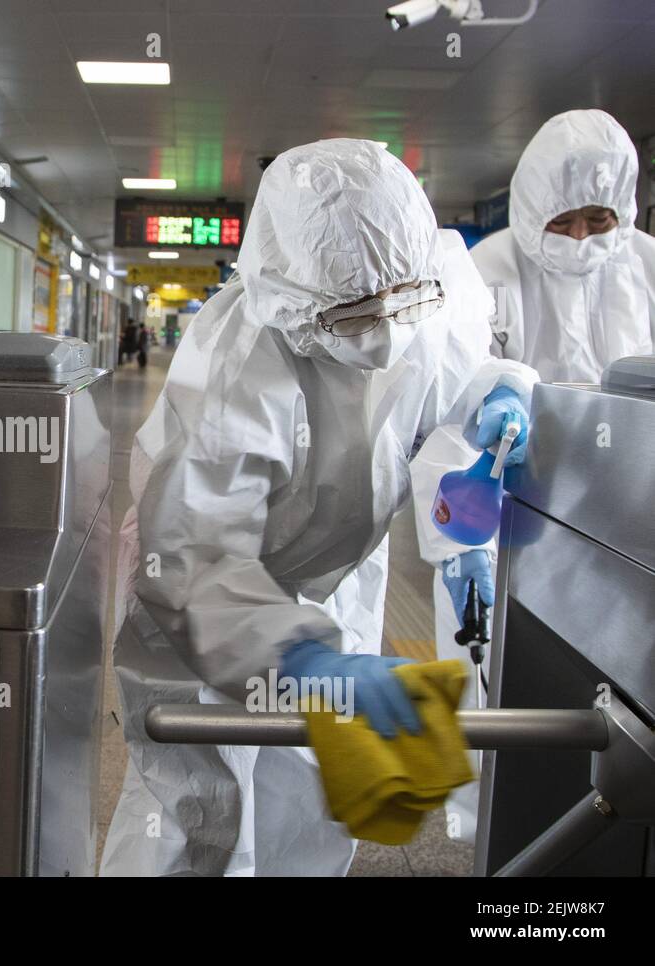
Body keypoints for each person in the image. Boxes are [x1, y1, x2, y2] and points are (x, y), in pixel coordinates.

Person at [100, 139, 536, 877]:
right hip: (198, 595)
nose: (391, 330)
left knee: (309, 802)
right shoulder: (236, 368)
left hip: (330, 581)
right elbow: (195, 562)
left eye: (404, 302)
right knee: (201, 816)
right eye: (357, 313)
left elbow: (461, 368)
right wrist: (303, 661)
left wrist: (500, 397)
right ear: (291, 302)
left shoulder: (416, 275)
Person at [410, 108, 655, 843]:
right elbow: (450, 419)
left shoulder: (647, 265)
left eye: (598, 220)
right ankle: (495, 837)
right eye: (564, 223)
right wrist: (460, 542)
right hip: (511, 515)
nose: (582, 241)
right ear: (532, 208)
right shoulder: (488, 273)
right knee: (500, 691)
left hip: (630, 521)